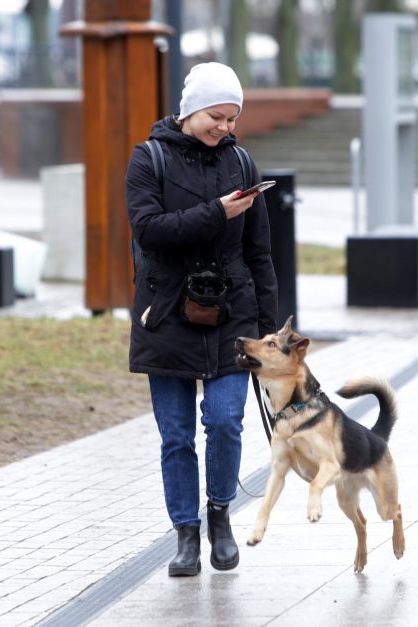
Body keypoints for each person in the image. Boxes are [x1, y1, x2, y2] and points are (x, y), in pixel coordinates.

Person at [125, 62, 278, 577]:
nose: (226, 128)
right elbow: (149, 231)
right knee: (175, 434)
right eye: (217, 116)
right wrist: (217, 212)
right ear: (192, 110)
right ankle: (185, 534)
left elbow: (260, 255)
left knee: (225, 421)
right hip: (165, 311)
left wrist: (271, 332)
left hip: (233, 312)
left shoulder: (242, 163)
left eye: (233, 119)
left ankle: (220, 518)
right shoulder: (148, 159)